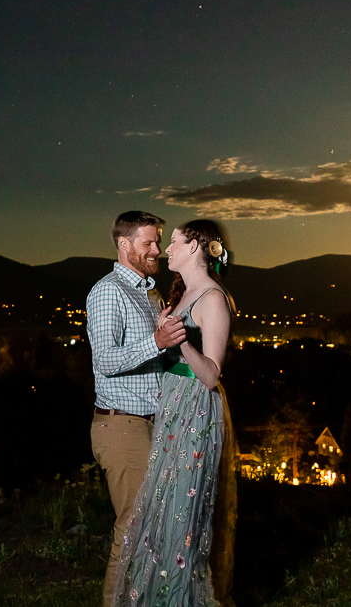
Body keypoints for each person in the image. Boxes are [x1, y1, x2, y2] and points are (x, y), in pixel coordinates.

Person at [112, 219, 237, 606]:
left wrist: (179, 342)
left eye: (177, 242)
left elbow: (212, 375)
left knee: (183, 515)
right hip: (172, 409)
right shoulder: (182, 296)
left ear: (197, 248)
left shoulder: (213, 299)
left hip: (195, 414)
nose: (167, 249)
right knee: (161, 514)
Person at [88, 211, 189, 606]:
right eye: (149, 242)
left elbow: (154, 362)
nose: (157, 250)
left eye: (158, 241)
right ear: (124, 244)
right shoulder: (108, 291)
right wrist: (157, 342)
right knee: (132, 526)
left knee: (157, 524)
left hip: (151, 425)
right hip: (120, 427)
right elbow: (107, 362)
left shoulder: (149, 292)